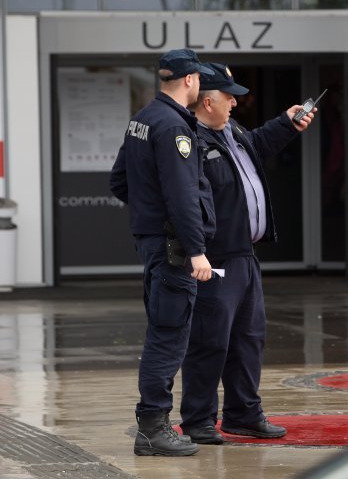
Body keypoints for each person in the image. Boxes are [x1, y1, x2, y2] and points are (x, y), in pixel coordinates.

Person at [179, 63, 316, 444]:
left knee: (248, 338)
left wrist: (287, 123)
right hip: (215, 258)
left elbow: (257, 144)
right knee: (211, 340)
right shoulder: (191, 142)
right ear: (207, 101)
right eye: (229, 97)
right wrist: (196, 251)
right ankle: (198, 420)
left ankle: (243, 414)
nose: (236, 103)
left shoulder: (232, 131)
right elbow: (185, 202)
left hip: (245, 255)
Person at [109, 48, 216, 457]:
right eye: (199, 79)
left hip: (153, 242)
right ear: (190, 81)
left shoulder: (143, 119)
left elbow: (119, 182)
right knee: (168, 337)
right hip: (174, 248)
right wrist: (196, 250)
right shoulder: (174, 127)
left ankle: (153, 428)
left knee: (163, 329)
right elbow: (182, 196)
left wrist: (147, 213)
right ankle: (153, 428)